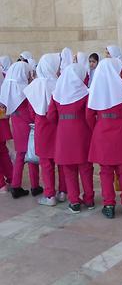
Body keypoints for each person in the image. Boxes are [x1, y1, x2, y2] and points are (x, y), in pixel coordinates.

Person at [87, 58, 122, 219]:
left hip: (102, 132)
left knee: (106, 172)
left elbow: (89, 116)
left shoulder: (95, 90)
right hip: (121, 132)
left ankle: (108, 205)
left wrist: (96, 129)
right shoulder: (120, 89)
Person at [49, 63, 94, 213]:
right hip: (82, 132)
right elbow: (89, 115)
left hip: (63, 133)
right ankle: (89, 199)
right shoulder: (85, 93)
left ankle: (74, 201)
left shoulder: (56, 93)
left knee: (68, 169)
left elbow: (51, 116)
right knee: (85, 167)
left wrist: (62, 123)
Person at [24, 53, 67, 206]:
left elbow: (30, 111)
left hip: (41, 124)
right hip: (58, 124)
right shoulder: (60, 83)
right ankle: (63, 191)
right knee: (61, 159)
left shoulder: (34, 85)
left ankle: (50, 195)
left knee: (45, 161)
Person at [0, 62, 42, 198]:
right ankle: (34, 185)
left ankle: (16, 185)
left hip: (16, 121)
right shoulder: (26, 88)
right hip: (28, 123)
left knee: (21, 154)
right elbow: (32, 108)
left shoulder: (9, 86)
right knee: (32, 152)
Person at [0, 67, 13, 193]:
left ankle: (1, 185)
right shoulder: (3, 76)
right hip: (1, 116)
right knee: (3, 150)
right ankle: (11, 178)